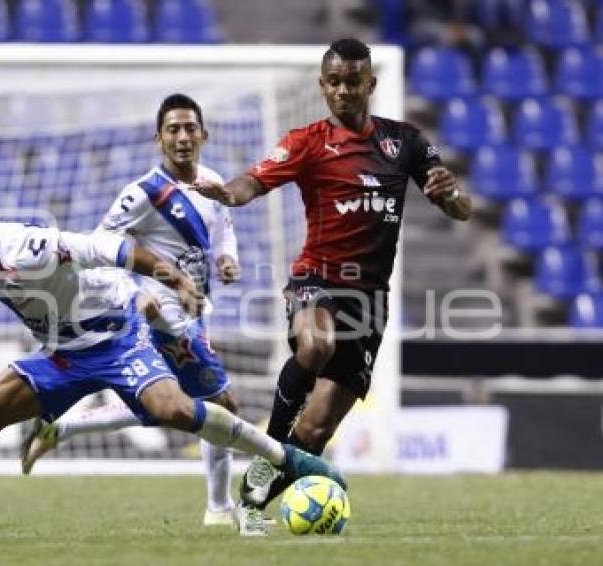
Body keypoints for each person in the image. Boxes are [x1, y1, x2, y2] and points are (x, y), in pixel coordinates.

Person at [0, 193, 346, 542]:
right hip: (60, 353)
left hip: (116, 336)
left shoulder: (25, 245)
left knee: (173, 409)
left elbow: (111, 248)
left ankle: (288, 460)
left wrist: (173, 277)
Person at [193, 37, 471, 535]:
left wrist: (453, 196)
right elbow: (251, 183)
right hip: (316, 280)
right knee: (315, 345)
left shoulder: (404, 141)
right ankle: (267, 446)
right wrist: (226, 194)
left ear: (371, 83)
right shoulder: (306, 142)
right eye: (334, 82)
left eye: (353, 81)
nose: (344, 90)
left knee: (317, 429)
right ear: (322, 86)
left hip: (371, 301)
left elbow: (459, 207)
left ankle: (252, 502)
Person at [19, 93, 241, 527]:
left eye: (190, 128)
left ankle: (62, 428)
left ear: (204, 134)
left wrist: (226, 259)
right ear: (158, 138)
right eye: (173, 130)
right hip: (163, 316)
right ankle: (218, 508)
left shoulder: (211, 182)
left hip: (195, 312)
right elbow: (100, 248)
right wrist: (136, 293)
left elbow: (223, 231)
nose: (182, 137)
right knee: (220, 405)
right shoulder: (143, 193)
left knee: (164, 405)